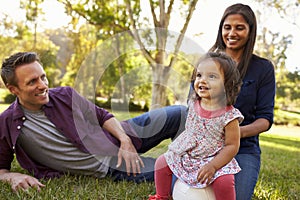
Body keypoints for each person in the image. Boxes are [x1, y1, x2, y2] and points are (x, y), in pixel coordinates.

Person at [0, 51, 187, 192]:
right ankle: (194, 168)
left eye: (43, 77)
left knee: (179, 113)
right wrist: (11, 177)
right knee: (175, 174)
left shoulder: (65, 95)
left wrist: (125, 141)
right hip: (111, 166)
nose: (43, 85)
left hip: (121, 135)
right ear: (13, 89)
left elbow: (102, 116)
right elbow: (1, 168)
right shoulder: (6, 123)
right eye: (32, 82)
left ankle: (200, 156)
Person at [149, 52, 244, 200]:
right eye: (199, 75)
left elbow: (232, 146)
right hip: (189, 152)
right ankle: (161, 196)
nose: (202, 80)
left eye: (211, 76)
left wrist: (213, 166)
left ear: (227, 84)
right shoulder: (193, 103)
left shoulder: (229, 116)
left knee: (225, 182)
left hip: (214, 157)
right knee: (162, 162)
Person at [206, 3, 276, 200]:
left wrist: (234, 133)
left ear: (250, 31)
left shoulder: (263, 68)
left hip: (244, 149)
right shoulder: (207, 63)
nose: (232, 33)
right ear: (221, 29)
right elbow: (192, 104)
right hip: (206, 145)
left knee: (238, 196)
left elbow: (265, 119)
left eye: (239, 27)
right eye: (227, 27)